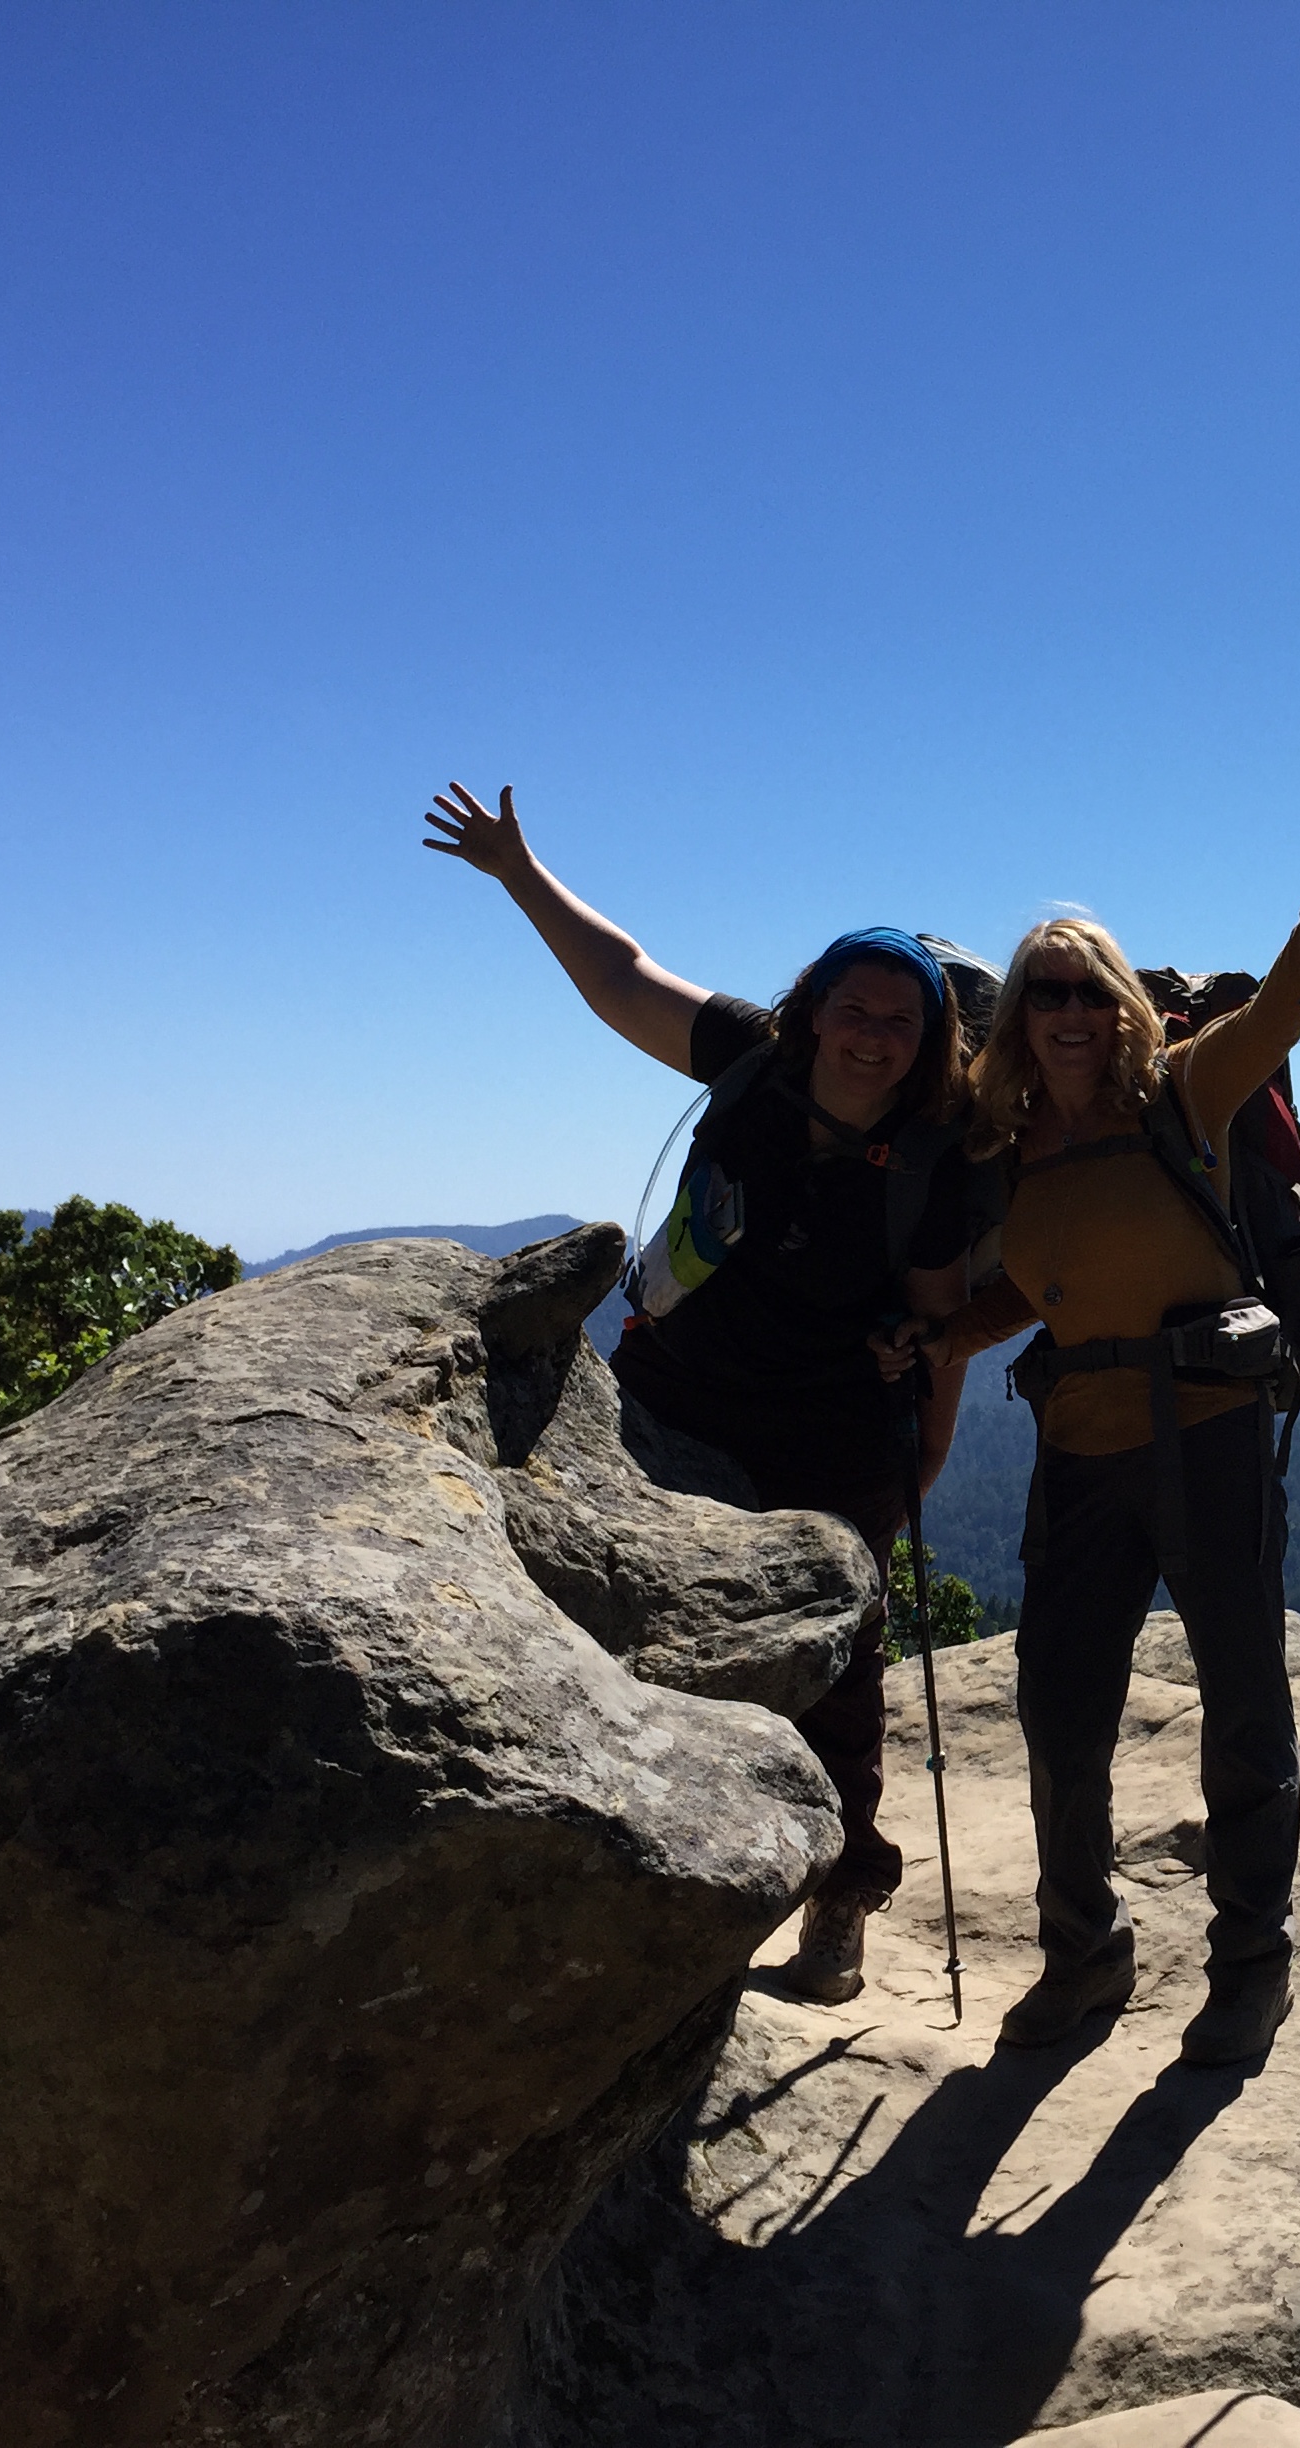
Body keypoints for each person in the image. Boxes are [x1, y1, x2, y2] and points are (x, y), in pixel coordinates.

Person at [882, 785, 1300, 2067]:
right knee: (1059, 1716)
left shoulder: (1186, 1094)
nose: (1069, 1014)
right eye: (1046, 993)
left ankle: (1250, 1965)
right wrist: (947, 1335)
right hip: (1078, 1456)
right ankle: (1086, 1955)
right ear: (1016, 1018)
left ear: (1122, 1006)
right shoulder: (1013, 1149)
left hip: (1210, 1439)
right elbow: (1043, 1286)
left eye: (1089, 990)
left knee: (1244, 1710)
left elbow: (1283, 1006)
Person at [423, 780, 973, 2006]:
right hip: (676, 1399)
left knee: (838, 1669)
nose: (872, 1033)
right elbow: (622, 974)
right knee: (635, 1641)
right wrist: (519, 872)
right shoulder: (750, 1061)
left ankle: (840, 1897)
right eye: (854, 1007)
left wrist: (918, 1448)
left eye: (898, 1018)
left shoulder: (936, 1161)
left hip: (833, 1434)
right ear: (816, 1007)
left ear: (928, 1039)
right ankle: (645, 1878)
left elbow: (942, 1323)